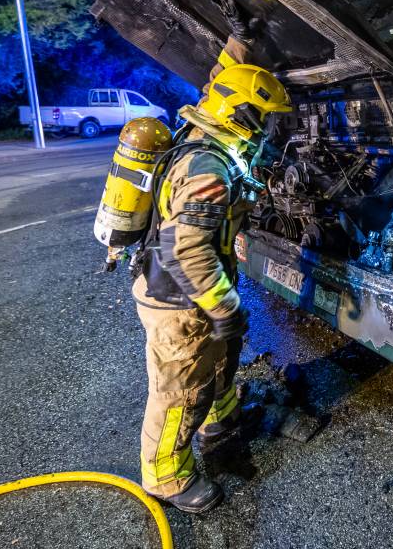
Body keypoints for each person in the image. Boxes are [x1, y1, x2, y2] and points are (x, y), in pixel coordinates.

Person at [131, 33, 291, 513]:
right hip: (180, 302)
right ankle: (165, 477)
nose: (265, 131)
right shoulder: (208, 170)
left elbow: (219, 84)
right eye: (262, 120)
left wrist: (239, 40)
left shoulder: (200, 134)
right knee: (179, 391)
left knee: (217, 365)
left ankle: (218, 422)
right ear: (243, 117)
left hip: (185, 294)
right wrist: (224, 306)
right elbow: (187, 253)